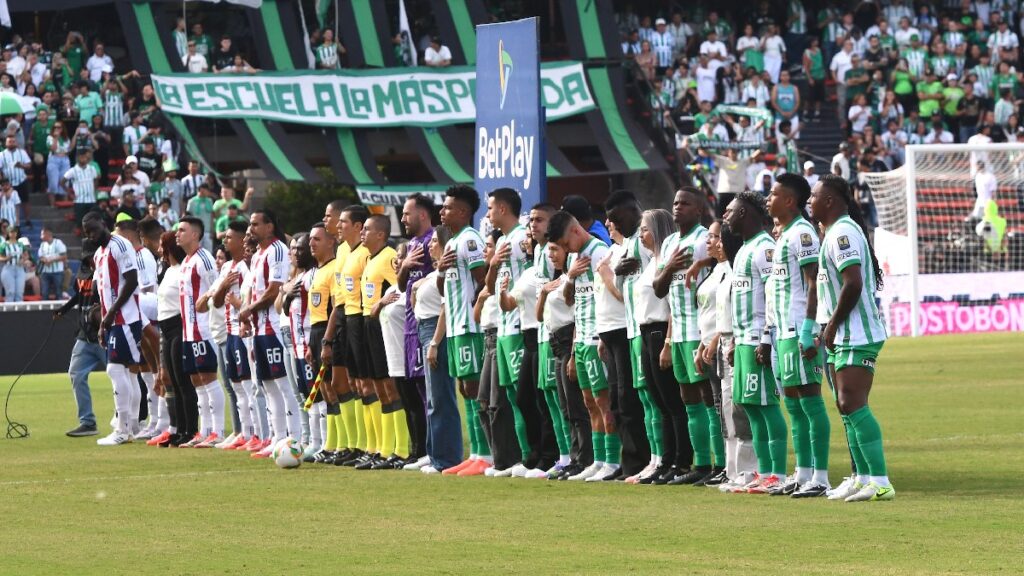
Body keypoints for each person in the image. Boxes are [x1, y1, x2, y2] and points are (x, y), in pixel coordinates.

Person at [808, 174, 894, 502]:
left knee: (852, 403)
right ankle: (862, 476)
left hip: (856, 332)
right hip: (844, 332)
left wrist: (831, 325)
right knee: (846, 407)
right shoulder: (834, 231)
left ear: (829, 201)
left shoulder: (842, 232)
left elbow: (854, 283)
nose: (810, 202)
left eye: (814, 197)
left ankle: (881, 481)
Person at [764, 174, 832, 497]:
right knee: (793, 405)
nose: (768, 198)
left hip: (797, 329)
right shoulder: (785, 234)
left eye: (773, 193)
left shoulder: (803, 233)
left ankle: (820, 476)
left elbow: (813, 281)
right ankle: (803, 472)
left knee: (810, 402)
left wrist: (809, 327)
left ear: (789, 201)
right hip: (781, 332)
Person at [654, 187, 725, 485]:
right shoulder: (670, 241)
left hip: (701, 330)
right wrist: (670, 266)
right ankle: (702, 462)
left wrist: (701, 263)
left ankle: (720, 465)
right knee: (688, 399)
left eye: (685, 203)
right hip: (679, 331)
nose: (678, 207)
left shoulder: (703, 239)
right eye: (675, 203)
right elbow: (659, 289)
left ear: (698, 210)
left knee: (709, 398)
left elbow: (723, 261)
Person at [720, 191, 789, 493]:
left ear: (745, 213)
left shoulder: (764, 249)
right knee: (752, 407)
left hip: (760, 341)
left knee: (767, 406)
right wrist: (735, 339)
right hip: (744, 341)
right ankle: (764, 472)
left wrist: (765, 338)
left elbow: (775, 294)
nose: (726, 216)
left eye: (730, 211)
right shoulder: (746, 249)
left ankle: (778, 474)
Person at [547, 211, 620, 481]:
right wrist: (571, 276)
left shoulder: (600, 251)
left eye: (565, 244)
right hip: (581, 339)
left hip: (597, 338)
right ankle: (599, 460)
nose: (565, 250)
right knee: (589, 402)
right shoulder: (577, 259)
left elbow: (608, 298)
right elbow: (572, 302)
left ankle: (612, 461)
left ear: (576, 231)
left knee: (603, 402)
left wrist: (601, 337)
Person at [485, 187, 543, 478]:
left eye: (491, 208)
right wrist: (493, 263)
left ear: (504, 209)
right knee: (511, 395)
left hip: (521, 324)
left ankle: (535, 455)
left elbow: (535, 277)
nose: (488, 214)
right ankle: (523, 456)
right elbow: (489, 284)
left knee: (526, 396)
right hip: (503, 325)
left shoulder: (522, 238)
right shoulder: (503, 241)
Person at [435, 185, 490, 476]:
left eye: (447, 207)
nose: (442, 211)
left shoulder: (470, 240)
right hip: (455, 326)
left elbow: (482, 280)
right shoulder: (451, 242)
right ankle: (476, 453)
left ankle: (486, 454)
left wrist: (475, 314)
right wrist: (442, 270)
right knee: (464, 388)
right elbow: (444, 289)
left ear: (464, 212)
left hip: (470, 325)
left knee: (474, 387)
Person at [240, 210, 302, 456]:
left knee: (284, 385)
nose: (251, 228)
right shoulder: (257, 255)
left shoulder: (277, 250)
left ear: (269, 226)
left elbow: (275, 289)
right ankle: (277, 439)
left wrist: (248, 310)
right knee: (267, 385)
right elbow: (254, 289)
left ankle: (294, 439)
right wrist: (247, 315)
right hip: (258, 329)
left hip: (274, 327)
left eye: (256, 224)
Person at [82, 212, 141, 445]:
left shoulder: (120, 245)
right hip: (113, 320)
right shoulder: (98, 254)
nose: (91, 235)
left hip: (125, 318)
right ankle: (130, 425)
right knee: (125, 372)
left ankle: (123, 429)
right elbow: (103, 291)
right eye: (87, 233)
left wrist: (112, 313)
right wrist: (103, 322)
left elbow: (132, 281)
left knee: (117, 371)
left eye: (94, 229)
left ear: (104, 224)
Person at [357, 214, 410, 469]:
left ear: (381, 234)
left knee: (390, 386)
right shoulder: (370, 259)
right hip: (370, 322)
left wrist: (385, 302)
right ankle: (384, 448)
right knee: (378, 388)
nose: (362, 233)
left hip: (384, 325)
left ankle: (400, 449)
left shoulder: (390, 256)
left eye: (367, 229)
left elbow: (402, 287)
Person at [174, 217, 225, 448]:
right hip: (188, 332)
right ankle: (204, 431)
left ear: (195, 235)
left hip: (203, 330)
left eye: (182, 230)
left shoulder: (204, 259)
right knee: (196, 380)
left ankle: (218, 431)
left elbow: (216, 289)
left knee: (208, 378)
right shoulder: (186, 261)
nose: (178, 234)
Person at [415, 225, 463, 474]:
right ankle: (434, 453)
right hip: (425, 328)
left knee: (441, 397)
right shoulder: (435, 273)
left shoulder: (446, 271)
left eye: (435, 241)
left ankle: (446, 458)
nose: (430, 244)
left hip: (436, 331)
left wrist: (434, 342)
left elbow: (446, 307)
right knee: (433, 397)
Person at [396, 194, 435, 471]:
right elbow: (401, 286)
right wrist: (406, 266)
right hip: (410, 326)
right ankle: (423, 449)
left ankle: (432, 449)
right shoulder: (411, 245)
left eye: (407, 214)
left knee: (428, 390)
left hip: (427, 324)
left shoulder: (433, 242)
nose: (402, 218)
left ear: (422, 215)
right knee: (417, 390)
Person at [55, 242, 102, 436]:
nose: (90, 260)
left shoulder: (107, 270)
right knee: (76, 374)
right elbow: (79, 295)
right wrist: (64, 309)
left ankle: (132, 421)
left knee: (123, 377)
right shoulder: (83, 272)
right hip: (84, 335)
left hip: (104, 334)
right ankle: (88, 422)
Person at [303, 223, 335, 461]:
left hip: (327, 331)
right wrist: (309, 344)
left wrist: (327, 340)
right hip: (315, 332)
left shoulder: (334, 269)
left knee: (333, 390)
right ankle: (326, 443)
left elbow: (335, 308)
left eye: (317, 239)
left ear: (331, 241)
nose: (311, 243)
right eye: (310, 239)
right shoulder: (317, 270)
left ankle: (335, 444)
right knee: (322, 390)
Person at [0, 135, 32, 227]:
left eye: (13, 141)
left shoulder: (22, 153)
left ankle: (27, 220)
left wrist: (21, 165)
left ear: (16, 143)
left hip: (21, 180)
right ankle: (7, 221)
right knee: (8, 201)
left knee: (25, 201)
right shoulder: (2, 155)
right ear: (5, 143)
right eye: (9, 141)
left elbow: (29, 165)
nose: (11, 143)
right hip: (8, 184)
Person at [38, 226, 67, 300]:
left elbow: (64, 256)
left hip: (57, 272)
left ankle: (60, 310)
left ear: (47, 234)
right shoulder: (42, 245)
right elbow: (40, 257)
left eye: (42, 234)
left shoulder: (58, 242)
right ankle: (44, 310)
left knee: (58, 292)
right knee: (44, 292)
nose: (41, 237)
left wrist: (52, 260)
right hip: (45, 272)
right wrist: (45, 260)